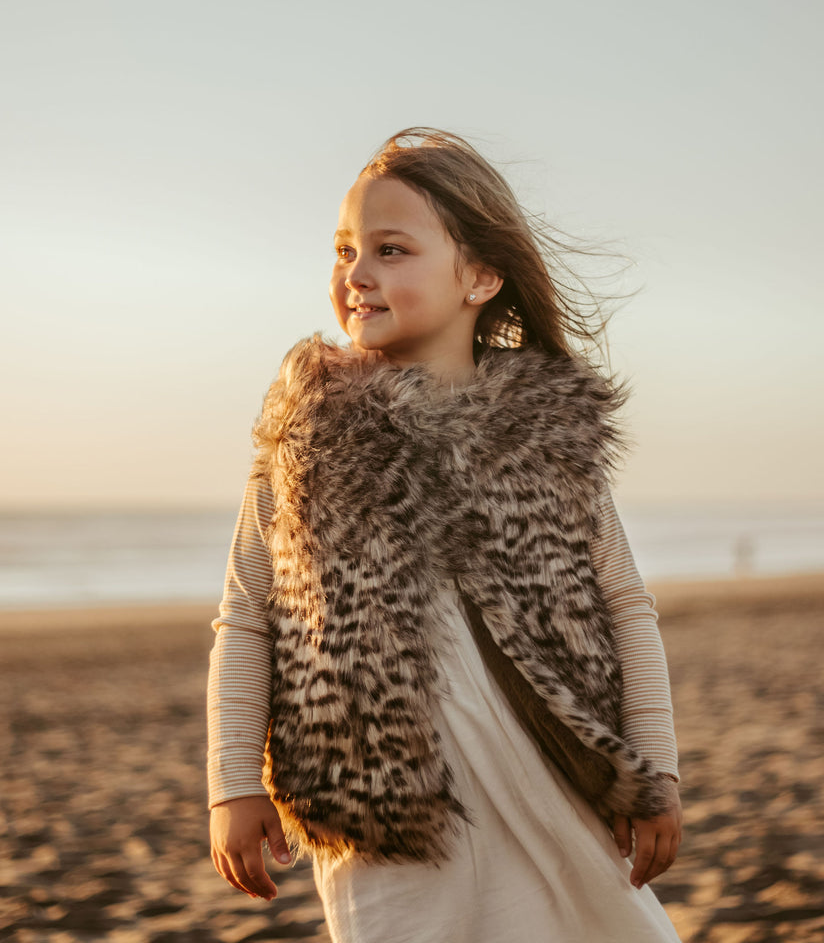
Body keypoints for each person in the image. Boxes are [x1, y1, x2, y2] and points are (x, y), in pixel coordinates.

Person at [208, 128, 683, 942]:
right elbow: (247, 616)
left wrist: (657, 768)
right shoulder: (304, 442)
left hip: (550, 781)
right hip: (381, 808)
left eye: (390, 250)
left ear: (481, 276)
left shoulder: (545, 440)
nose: (355, 275)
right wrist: (231, 782)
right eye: (344, 249)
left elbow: (625, 606)